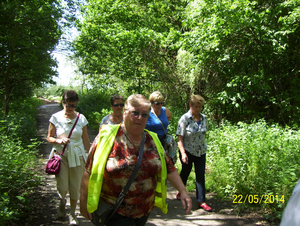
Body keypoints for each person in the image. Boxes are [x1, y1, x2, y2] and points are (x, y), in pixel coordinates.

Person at [80, 94, 192, 226]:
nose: (140, 118)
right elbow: (88, 171)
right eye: (135, 113)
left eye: (144, 114)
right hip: (116, 212)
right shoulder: (106, 138)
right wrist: (83, 203)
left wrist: (183, 191)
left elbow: (169, 168)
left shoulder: (153, 140)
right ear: (125, 113)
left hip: (144, 211)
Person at [47, 90, 91, 225]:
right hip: (61, 157)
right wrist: (58, 141)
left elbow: (86, 139)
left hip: (77, 157)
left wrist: (91, 157)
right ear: (63, 103)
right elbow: (49, 137)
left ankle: (72, 214)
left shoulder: (81, 118)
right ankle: (62, 203)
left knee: (75, 186)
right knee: (62, 186)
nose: (71, 108)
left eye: (74, 105)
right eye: (68, 105)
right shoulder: (55, 118)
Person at [176, 94, 212, 212]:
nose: (198, 109)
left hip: (201, 151)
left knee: (200, 175)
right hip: (187, 151)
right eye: (196, 106)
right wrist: (183, 153)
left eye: (200, 107)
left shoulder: (204, 118)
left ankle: (201, 201)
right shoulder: (184, 119)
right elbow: (179, 138)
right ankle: (180, 191)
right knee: (185, 172)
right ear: (190, 105)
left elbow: (204, 134)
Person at [145, 91, 174, 162]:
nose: (160, 105)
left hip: (163, 141)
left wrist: (162, 123)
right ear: (151, 103)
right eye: (157, 103)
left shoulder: (164, 110)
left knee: (165, 163)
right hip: (150, 143)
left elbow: (170, 116)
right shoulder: (146, 112)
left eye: (162, 103)